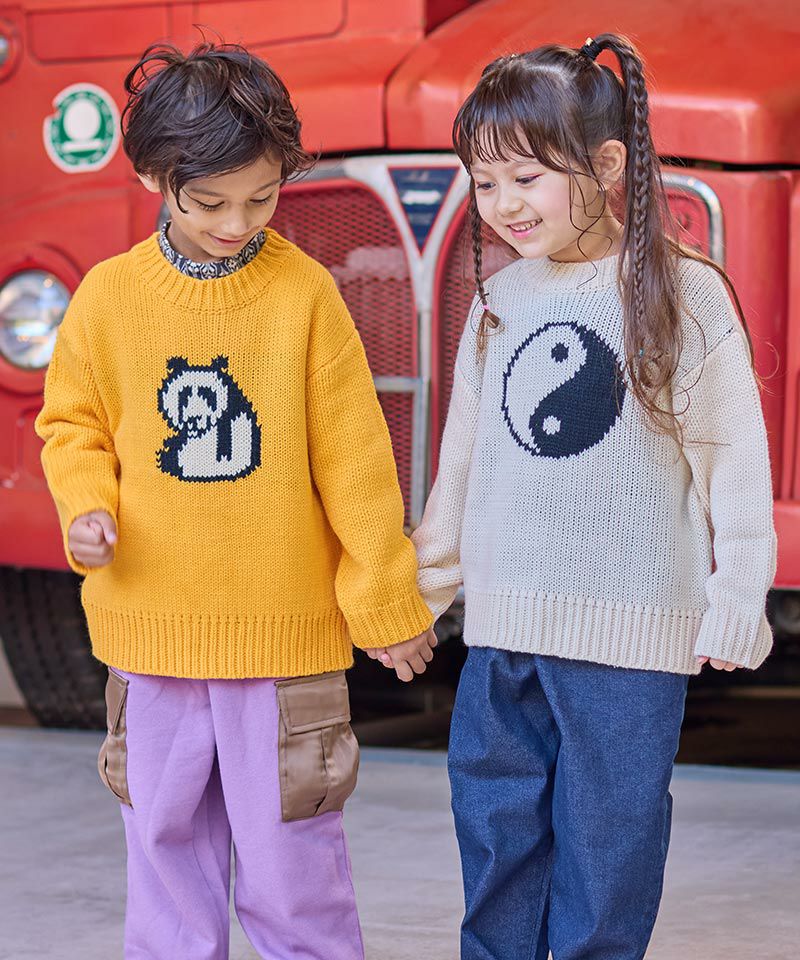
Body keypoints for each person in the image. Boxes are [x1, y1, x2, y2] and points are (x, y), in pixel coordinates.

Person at [35, 41, 436, 960]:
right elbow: (73, 426)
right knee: (165, 855)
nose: (237, 223)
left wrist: (383, 599)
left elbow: (355, 459)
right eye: (210, 202)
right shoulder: (107, 299)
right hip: (151, 639)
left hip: (285, 648)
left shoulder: (304, 294)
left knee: (295, 870)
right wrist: (86, 508)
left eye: (262, 199)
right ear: (152, 177)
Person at [398, 33, 776, 960]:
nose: (503, 205)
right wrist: (416, 594)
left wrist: (737, 597)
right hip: (503, 636)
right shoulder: (500, 302)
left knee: (607, 860)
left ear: (607, 165)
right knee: (497, 846)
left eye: (527, 178)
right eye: (485, 183)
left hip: (627, 645)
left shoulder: (683, 294)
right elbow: (463, 464)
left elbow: (733, 460)